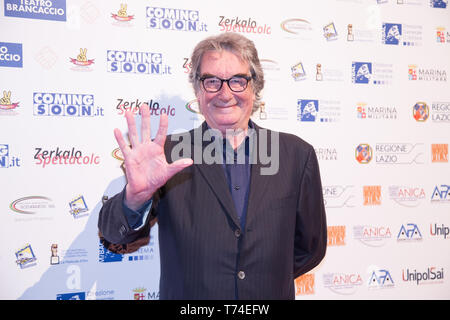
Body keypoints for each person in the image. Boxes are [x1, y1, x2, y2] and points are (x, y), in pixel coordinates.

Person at [98, 33, 327, 300]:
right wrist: (135, 197)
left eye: (238, 81)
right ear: (198, 90)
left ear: (255, 87)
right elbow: (114, 233)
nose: (225, 93)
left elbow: (310, 247)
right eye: (212, 81)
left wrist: (263, 278)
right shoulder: (167, 155)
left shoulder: (296, 155)